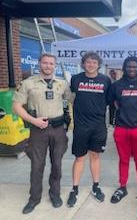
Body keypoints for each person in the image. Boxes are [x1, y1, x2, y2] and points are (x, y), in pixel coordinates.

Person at [13, 53, 72, 214]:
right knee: (37, 165)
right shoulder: (28, 83)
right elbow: (16, 106)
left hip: (58, 129)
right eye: (45, 63)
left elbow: (74, 99)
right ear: (39, 63)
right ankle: (34, 198)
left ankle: (55, 194)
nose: (48, 66)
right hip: (38, 129)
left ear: (55, 65)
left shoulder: (62, 84)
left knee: (57, 165)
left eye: (51, 63)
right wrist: (33, 121)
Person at [67, 52, 111, 207]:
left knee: (95, 157)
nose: (91, 64)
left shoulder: (106, 80)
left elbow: (107, 101)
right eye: (88, 62)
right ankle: (74, 189)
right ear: (83, 64)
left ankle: (96, 186)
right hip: (81, 126)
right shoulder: (76, 79)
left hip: (98, 125)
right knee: (79, 158)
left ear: (99, 64)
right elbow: (71, 98)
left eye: (94, 62)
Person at [110, 56, 137, 204]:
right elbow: (111, 102)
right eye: (129, 66)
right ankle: (122, 187)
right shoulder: (117, 85)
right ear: (124, 68)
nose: (132, 69)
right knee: (124, 159)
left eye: (135, 67)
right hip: (121, 128)